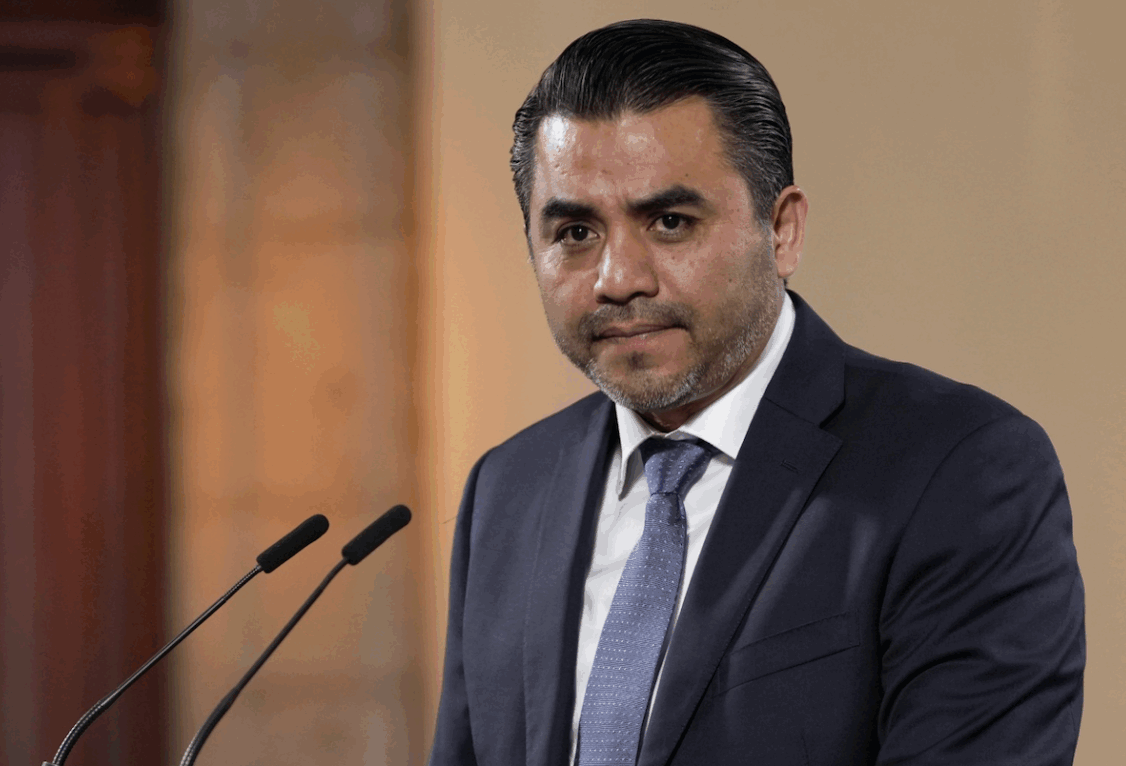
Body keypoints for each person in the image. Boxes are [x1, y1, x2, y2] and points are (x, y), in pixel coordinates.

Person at [427, 19, 1085, 766]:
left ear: (782, 231)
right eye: (575, 233)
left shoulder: (961, 471)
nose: (618, 279)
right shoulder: (506, 493)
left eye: (670, 222)